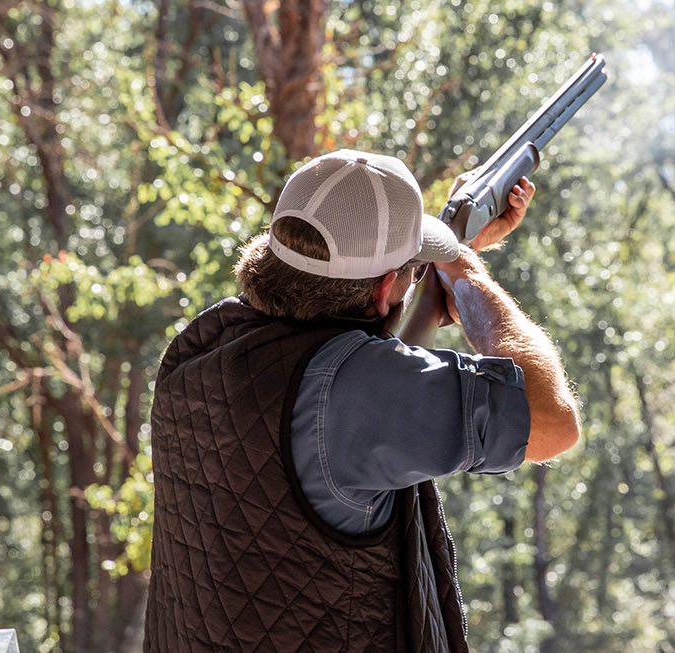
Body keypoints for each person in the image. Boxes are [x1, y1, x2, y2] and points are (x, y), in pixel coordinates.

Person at [142, 149, 582, 651]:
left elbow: (353, 386)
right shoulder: (353, 390)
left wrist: (422, 280)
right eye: (410, 272)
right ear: (381, 290)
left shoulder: (201, 347)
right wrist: (467, 275)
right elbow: (552, 422)